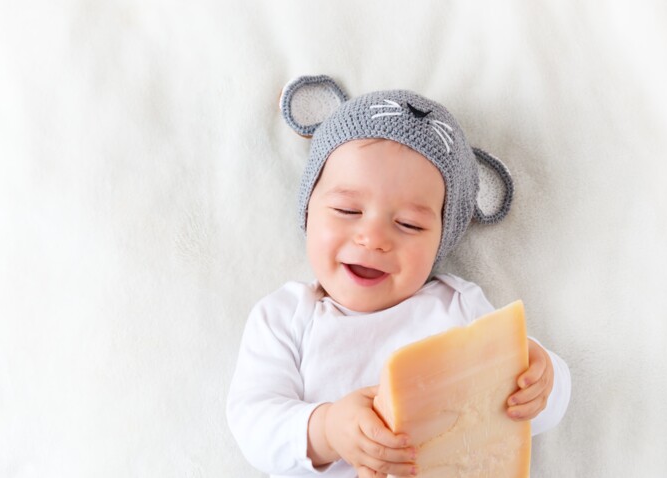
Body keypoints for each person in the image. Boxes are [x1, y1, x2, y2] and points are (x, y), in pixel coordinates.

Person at [227, 76, 571, 478]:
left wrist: (541, 378)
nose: (372, 238)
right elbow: (252, 420)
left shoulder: (457, 306)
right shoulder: (286, 317)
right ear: (308, 210)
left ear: (442, 241)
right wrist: (328, 429)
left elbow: (528, 415)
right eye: (347, 211)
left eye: (408, 224)